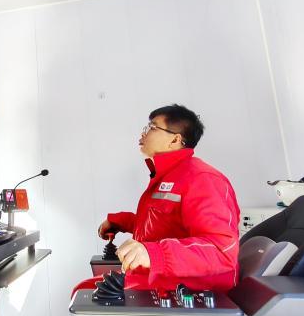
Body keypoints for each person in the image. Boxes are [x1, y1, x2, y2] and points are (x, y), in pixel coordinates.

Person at [72, 104, 240, 295]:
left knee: (84, 292)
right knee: (83, 290)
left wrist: (154, 254)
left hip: (191, 286)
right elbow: (162, 227)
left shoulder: (202, 178)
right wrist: (121, 221)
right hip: (163, 277)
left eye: (152, 127)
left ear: (175, 139)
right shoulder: (168, 175)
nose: (143, 133)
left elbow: (221, 251)